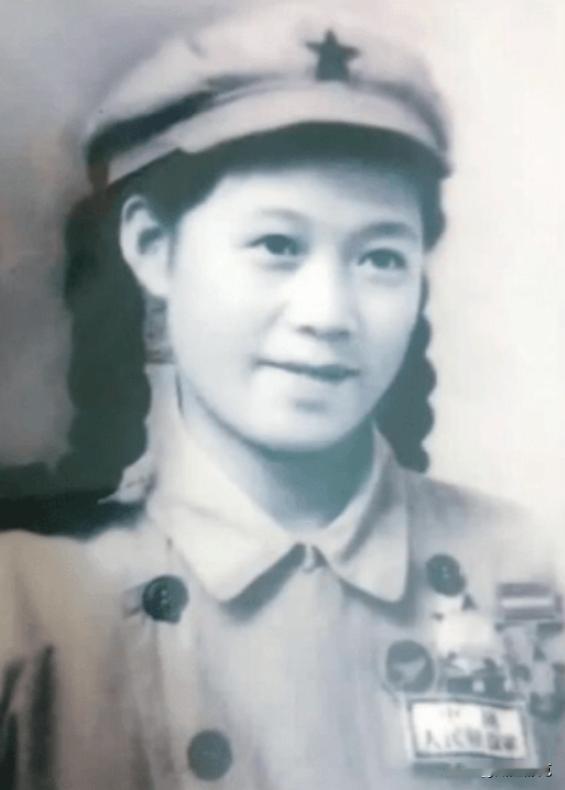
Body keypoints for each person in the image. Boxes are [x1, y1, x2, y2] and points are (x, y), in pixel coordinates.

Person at [0, 5, 563, 789]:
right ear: (153, 249)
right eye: (277, 245)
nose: (328, 315)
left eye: (379, 258)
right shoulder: (24, 603)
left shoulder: (526, 571)